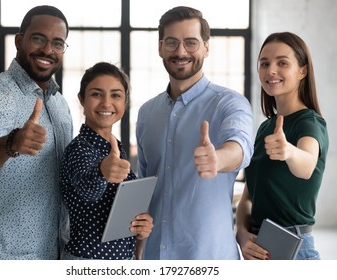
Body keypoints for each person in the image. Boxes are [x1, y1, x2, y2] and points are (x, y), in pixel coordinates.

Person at [136, 6, 254, 260]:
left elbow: (241, 145)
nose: (180, 52)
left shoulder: (230, 103)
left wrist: (218, 159)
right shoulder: (147, 113)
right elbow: (143, 188)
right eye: (172, 43)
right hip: (154, 257)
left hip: (209, 258)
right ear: (160, 47)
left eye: (191, 42)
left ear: (206, 47)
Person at [0, 5, 73, 259]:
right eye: (39, 39)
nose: (48, 50)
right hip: (7, 257)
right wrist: (12, 142)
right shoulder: (0, 94)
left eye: (58, 43)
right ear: (19, 40)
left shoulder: (60, 104)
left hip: (53, 253)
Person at [236, 32, 329, 260]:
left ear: (302, 71)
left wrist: (289, 151)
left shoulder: (310, 122)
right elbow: (249, 196)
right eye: (264, 64)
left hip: (294, 249)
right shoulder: (265, 128)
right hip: (258, 248)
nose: (271, 71)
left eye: (282, 63)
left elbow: (306, 164)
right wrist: (241, 234)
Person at [60, 62, 153, 260]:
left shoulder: (115, 150)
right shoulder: (79, 149)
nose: (106, 103)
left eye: (116, 95)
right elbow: (88, 189)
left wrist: (141, 227)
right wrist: (101, 171)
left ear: (125, 102)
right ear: (81, 99)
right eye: (96, 94)